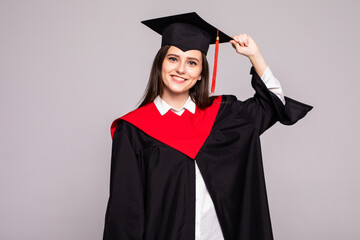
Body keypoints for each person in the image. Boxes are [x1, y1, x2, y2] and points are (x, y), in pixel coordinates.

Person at [103, 12, 312, 240]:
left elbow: (273, 106)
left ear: (201, 73)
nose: (181, 69)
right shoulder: (133, 130)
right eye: (173, 59)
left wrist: (255, 56)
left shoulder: (223, 117)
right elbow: (125, 213)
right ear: (160, 63)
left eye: (192, 62)